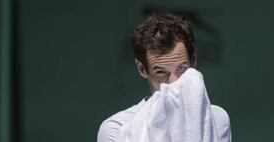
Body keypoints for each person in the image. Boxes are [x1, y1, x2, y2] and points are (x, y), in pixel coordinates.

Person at [97, 12, 232, 142]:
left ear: (194, 60)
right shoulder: (115, 128)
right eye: (161, 72)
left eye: (181, 69)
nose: (174, 82)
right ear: (142, 69)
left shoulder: (217, 119)